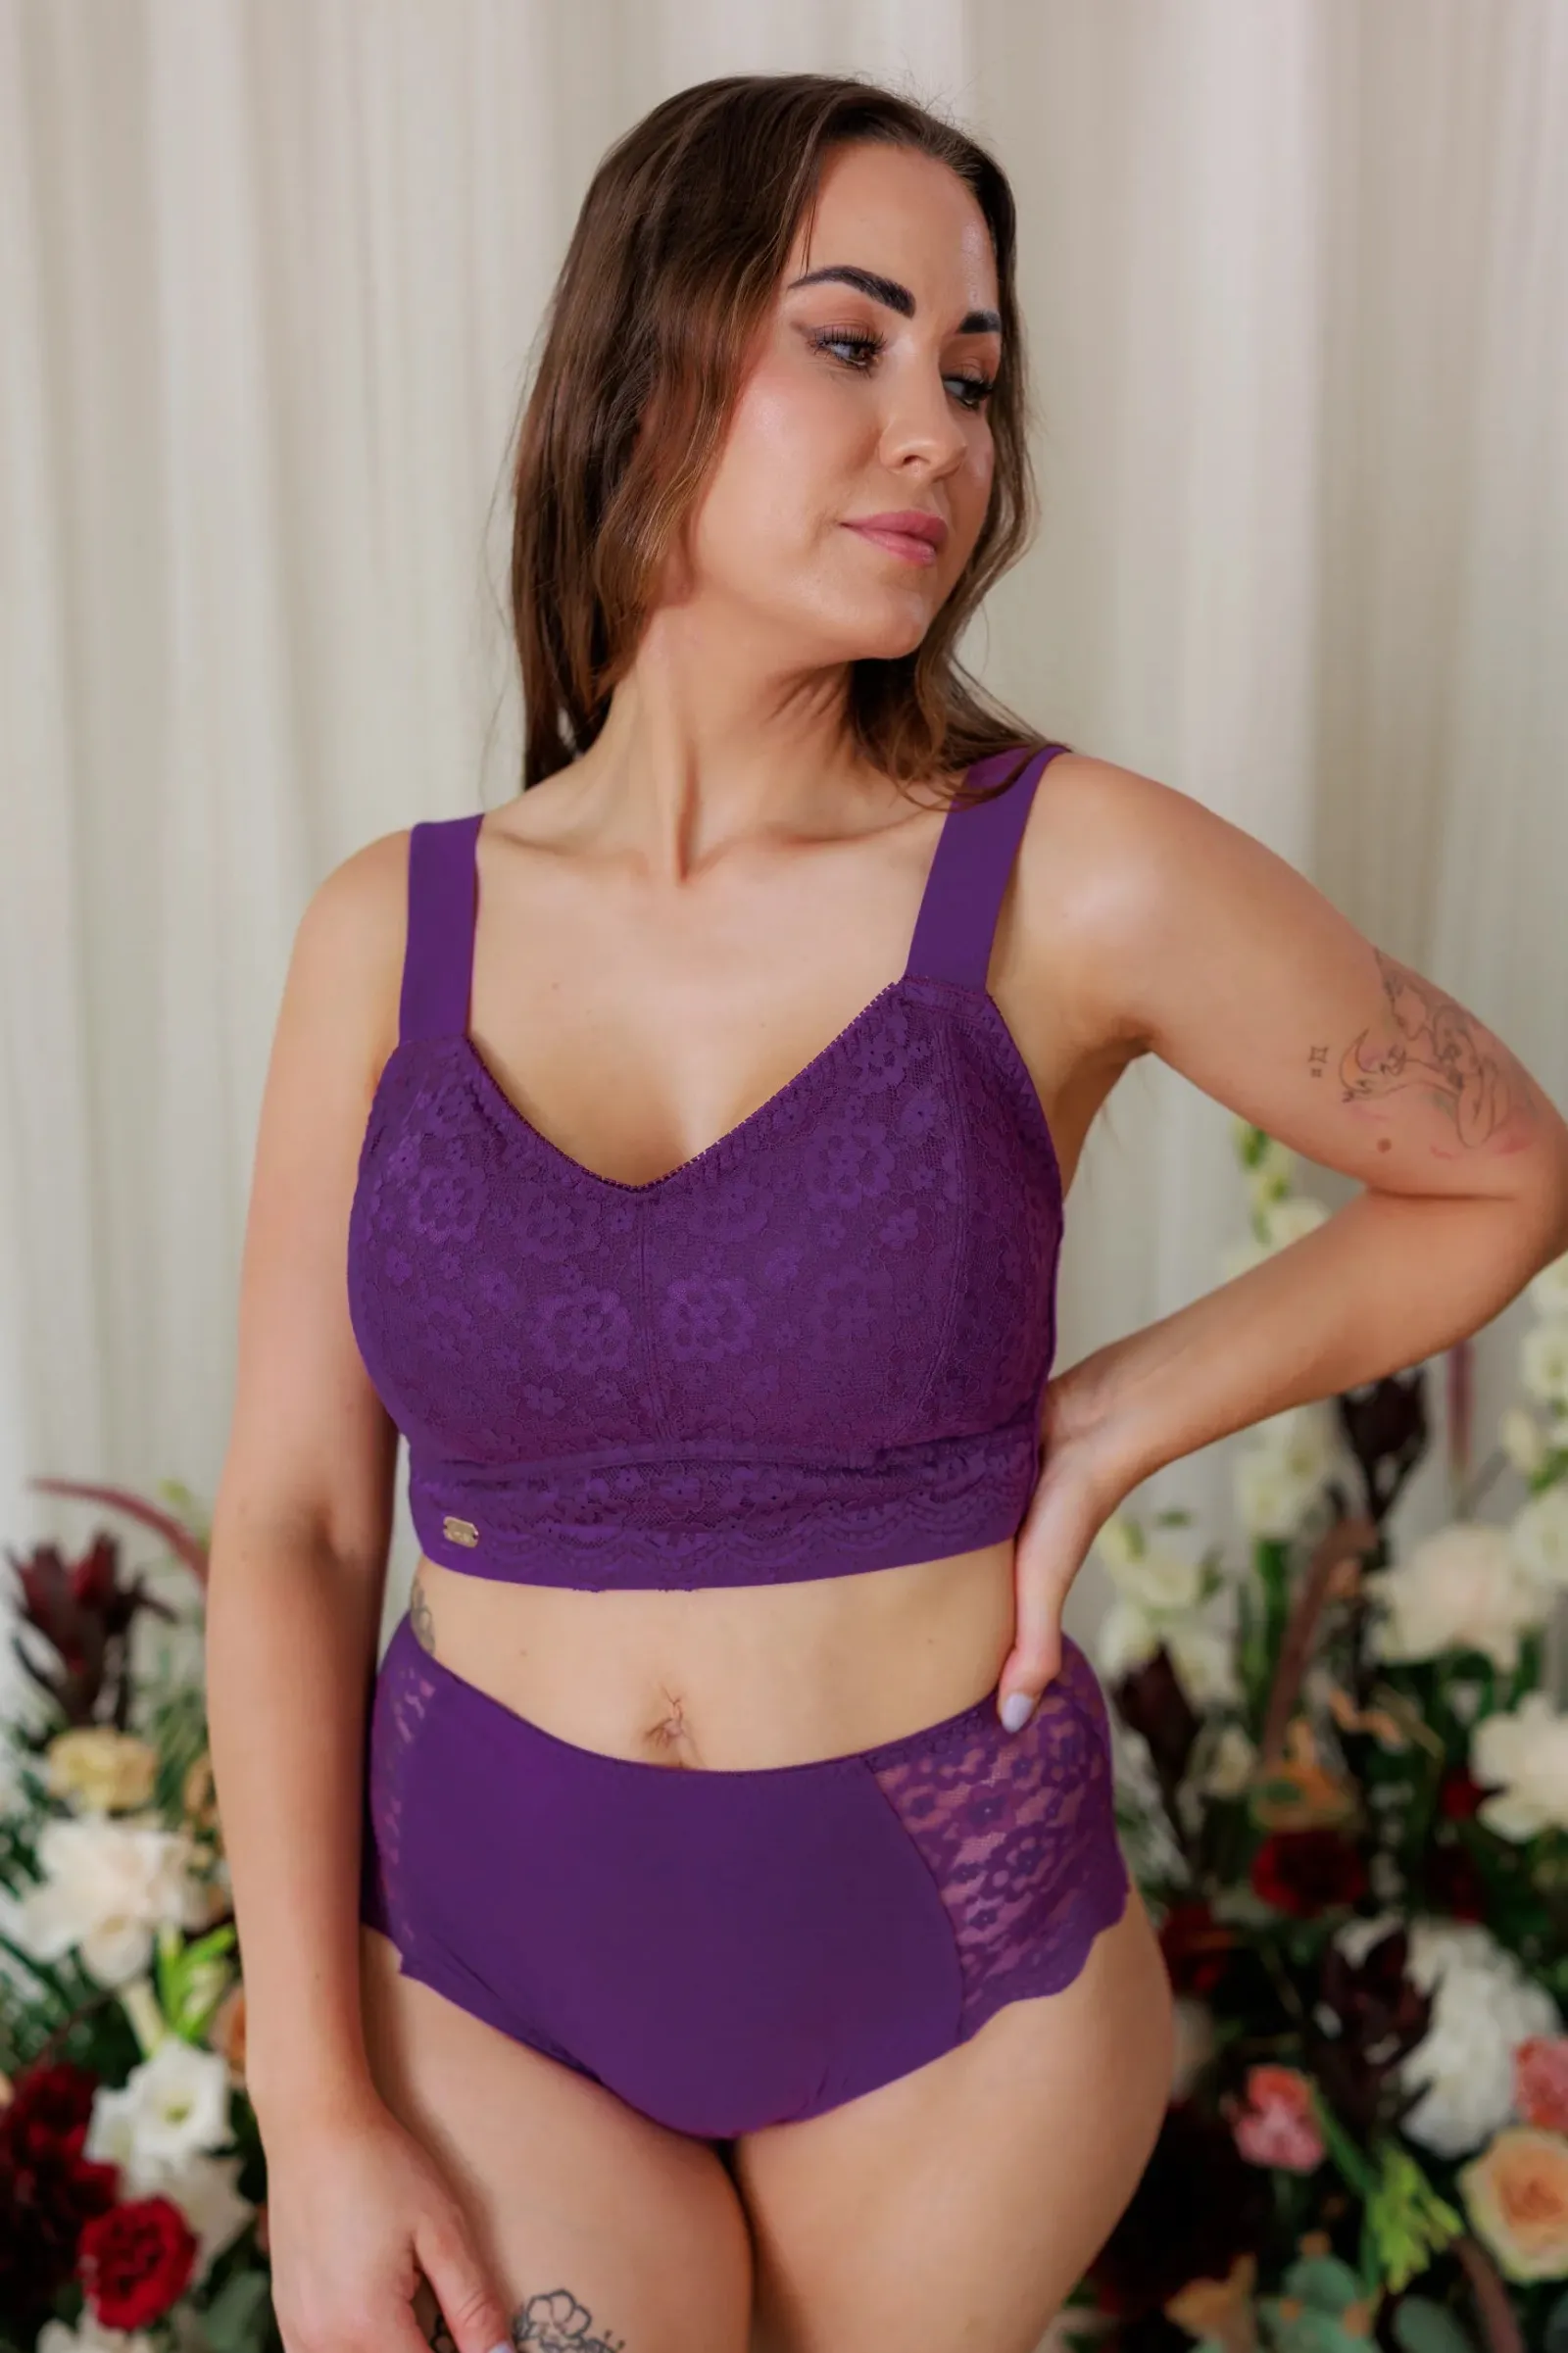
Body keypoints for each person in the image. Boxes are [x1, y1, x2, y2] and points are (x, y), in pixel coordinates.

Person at [204, 70, 1568, 2353]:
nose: (935, 431)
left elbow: (1502, 1166)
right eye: (848, 342)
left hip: (952, 1976)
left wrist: (1109, 1419)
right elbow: (298, 1528)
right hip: (479, 1954)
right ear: (644, 354)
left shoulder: (1064, 871)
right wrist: (310, 2101)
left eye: (972, 372)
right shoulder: (388, 932)